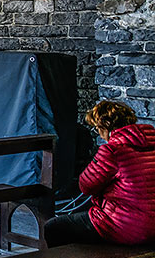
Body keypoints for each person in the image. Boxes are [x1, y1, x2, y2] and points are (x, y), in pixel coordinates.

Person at [43, 100, 155, 247]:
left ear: (105, 127)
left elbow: (86, 186)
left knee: (53, 227)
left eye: (97, 129)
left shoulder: (112, 150)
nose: (100, 136)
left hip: (129, 227)